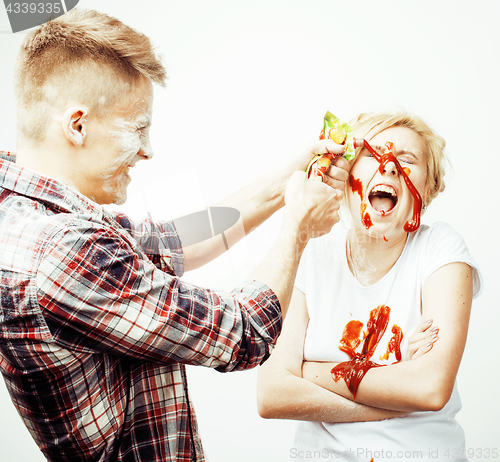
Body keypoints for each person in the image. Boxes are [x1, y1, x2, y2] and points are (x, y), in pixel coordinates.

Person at [0, 8, 350, 462]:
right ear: (77, 124)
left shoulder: (27, 209)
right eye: (136, 128)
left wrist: (286, 183)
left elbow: (171, 241)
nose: (147, 151)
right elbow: (245, 333)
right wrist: (299, 228)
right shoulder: (64, 251)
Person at [257, 111, 483, 461]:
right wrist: (392, 398)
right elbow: (272, 394)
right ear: (344, 176)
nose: (390, 165)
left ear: (428, 188)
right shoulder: (312, 252)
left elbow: (430, 387)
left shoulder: (440, 249)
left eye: (407, 159)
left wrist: (308, 370)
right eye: (373, 155)